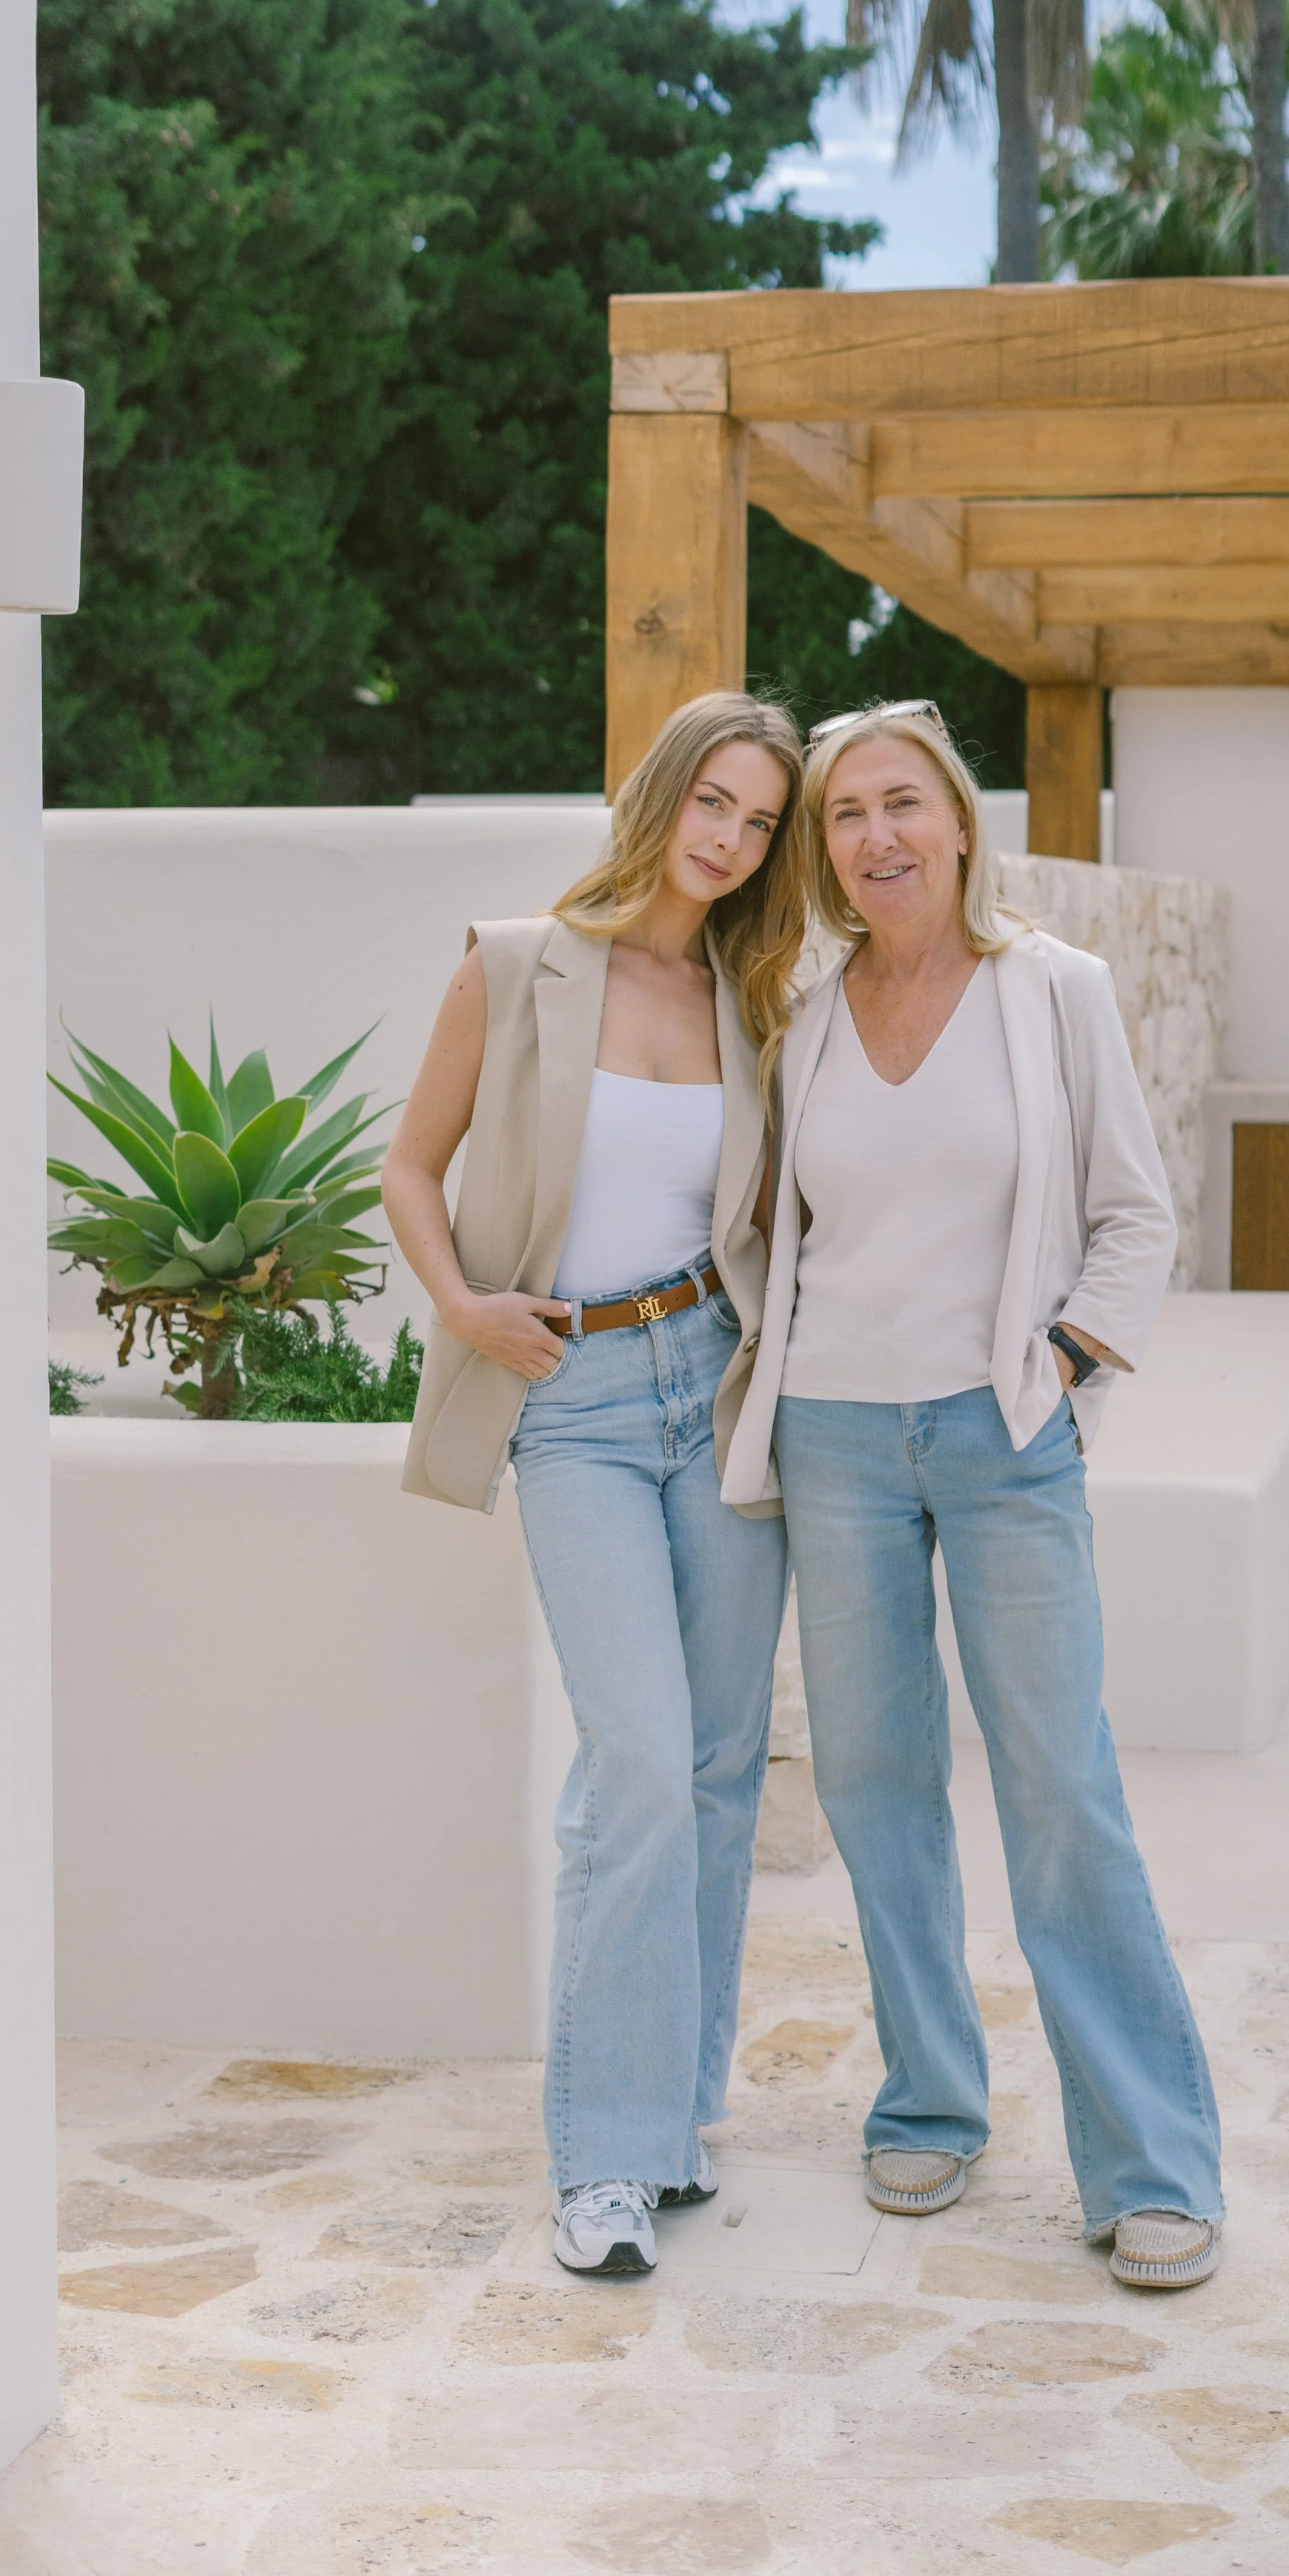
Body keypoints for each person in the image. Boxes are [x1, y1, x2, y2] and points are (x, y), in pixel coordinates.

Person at [720, 699, 1224, 2291]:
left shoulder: (1050, 990)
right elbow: (775, 1228)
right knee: (874, 1782)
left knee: (1058, 1785)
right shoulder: (802, 1019)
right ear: (824, 851)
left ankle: (1150, 2161)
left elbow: (1132, 1214)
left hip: (1004, 1436)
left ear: (954, 821)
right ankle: (930, 2100)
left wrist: (1059, 1364)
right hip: (834, 1437)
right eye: (844, 814)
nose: (876, 836)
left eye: (900, 803)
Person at [383, 691, 805, 2278]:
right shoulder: (514, 964)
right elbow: (408, 1165)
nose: (731, 838)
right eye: (715, 800)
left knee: (716, 1764)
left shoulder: (752, 995)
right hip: (571, 1395)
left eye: (760, 820)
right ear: (661, 794)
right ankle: (606, 2160)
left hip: (715, 1378)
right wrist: (466, 1306)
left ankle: (674, 2110)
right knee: (634, 1758)